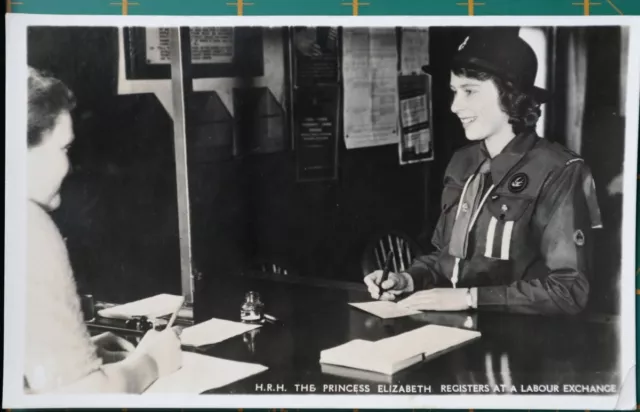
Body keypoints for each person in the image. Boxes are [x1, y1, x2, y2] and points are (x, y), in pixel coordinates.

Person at [364, 29, 602, 315]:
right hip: (453, 335)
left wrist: (470, 298)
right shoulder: (462, 163)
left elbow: (569, 291)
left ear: (511, 95)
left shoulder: (561, 171)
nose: (455, 106)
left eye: (470, 91)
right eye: (454, 91)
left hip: (522, 345)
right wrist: (408, 279)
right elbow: (447, 259)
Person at [25, 67, 182, 393]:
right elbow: (86, 396)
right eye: (64, 149)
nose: (70, 167)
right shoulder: (28, 226)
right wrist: (152, 360)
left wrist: (82, 352)